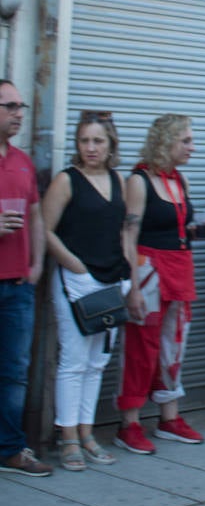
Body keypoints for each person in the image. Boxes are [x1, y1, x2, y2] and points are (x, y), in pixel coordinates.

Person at [117, 114, 205, 454]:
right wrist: (133, 287)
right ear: (165, 142)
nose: (192, 147)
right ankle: (129, 422)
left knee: (175, 344)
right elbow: (128, 234)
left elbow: (176, 226)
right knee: (142, 346)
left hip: (179, 268)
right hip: (149, 270)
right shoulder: (139, 181)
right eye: (186, 140)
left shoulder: (180, 180)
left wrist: (195, 230)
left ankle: (169, 417)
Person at [42, 111, 132, 470]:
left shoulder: (117, 180)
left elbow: (123, 229)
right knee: (74, 361)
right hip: (78, 280)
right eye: (84, 141)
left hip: (112, 279)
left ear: (110, 144)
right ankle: (67, 438)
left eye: (98, 141)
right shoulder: (67, 181)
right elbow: (45, 229)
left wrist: (127, 272)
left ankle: (87, 432)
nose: (91, 148)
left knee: (98, 362)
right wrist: (74, 264)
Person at [0, 79, 51, 477]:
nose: (19, 112)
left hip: (17, 286)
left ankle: (12, 449)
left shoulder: (22, 160)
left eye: (21, 106)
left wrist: (35, 265)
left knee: (15, 372)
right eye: (10, 105)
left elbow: (35, 214)